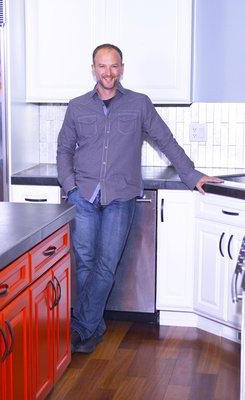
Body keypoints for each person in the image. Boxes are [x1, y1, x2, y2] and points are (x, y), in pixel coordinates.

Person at [57, 43, 223, 354]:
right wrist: (71, 188)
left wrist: (192, 175)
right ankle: (92, 326)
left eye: (114, 66)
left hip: (121, 196)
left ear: (122, 68)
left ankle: (81, 326)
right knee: (85, 263)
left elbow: (166, 141)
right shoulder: (77, 107)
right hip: (84, 196)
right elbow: (64, 149)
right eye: (103, 66)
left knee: (106, 264)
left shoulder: (139, 104)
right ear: (93, 68)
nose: (109, 72)